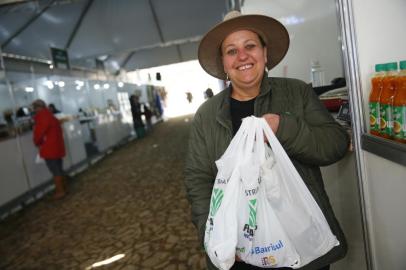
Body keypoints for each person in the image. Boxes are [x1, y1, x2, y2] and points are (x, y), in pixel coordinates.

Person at [184, 11, 349, 270]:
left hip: (302, 245)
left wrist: (282, 128)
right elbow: (198, 179)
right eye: (231, 51)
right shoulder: (207, 115)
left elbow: (335, 144)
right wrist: (215, 235)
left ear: (265, 52)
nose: (242, 56)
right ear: (224, 63)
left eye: (250, 46)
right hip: (240, 251)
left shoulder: (298, 93)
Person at [32, 99, 67, 199]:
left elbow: (39, 134)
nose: (34, 111)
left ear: (37, 108)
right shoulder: (51, 116)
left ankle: (60, 191)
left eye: (35, 109)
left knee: (55, 170)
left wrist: (36, 142)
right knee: (59, 168)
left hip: (49, 147)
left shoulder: (42, 117)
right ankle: (64, 188)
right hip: (57, 145)